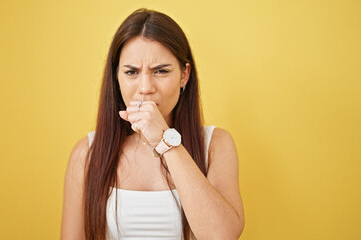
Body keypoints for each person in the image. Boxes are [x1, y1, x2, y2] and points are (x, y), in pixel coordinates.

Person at [61, 8, 245, 240]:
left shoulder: (216, 144)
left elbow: (222, 235)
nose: (146, 87)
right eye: (131, 72)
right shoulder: (86, 153)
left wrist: (165, 139)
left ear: (184, 75)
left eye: (160, 71)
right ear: (116, 77)